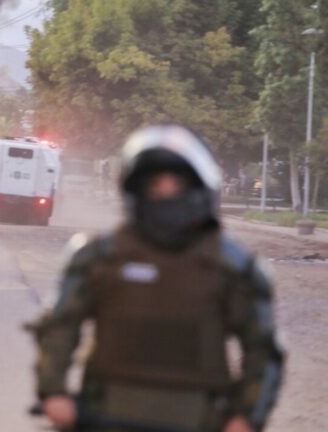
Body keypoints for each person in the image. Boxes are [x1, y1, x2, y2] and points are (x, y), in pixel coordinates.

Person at [29, 124, 285, 432]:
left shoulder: (234, 267)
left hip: (198, 419)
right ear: (136, 190)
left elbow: (264, 351)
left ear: (198, 187)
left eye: (175, 184)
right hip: (105, 416)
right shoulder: (98, 257)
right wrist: (53, 392)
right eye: (154, 185)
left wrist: (247, 417)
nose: (164, 194)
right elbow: (59, 326)